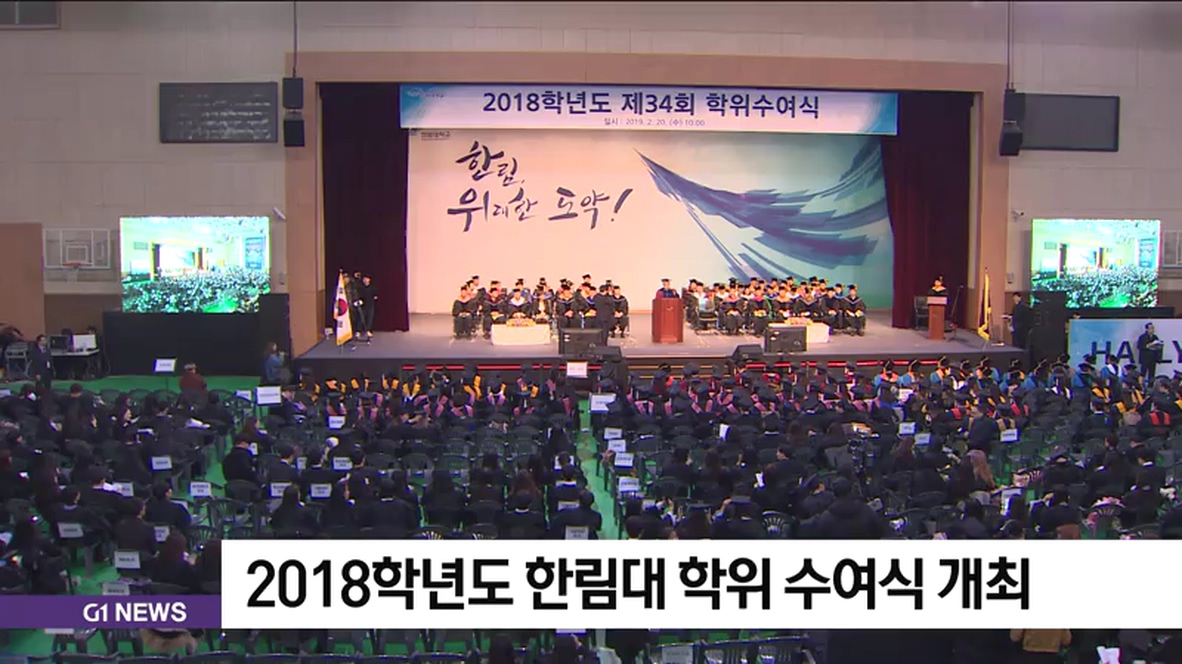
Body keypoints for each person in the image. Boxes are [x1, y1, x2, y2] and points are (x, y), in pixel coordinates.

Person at [359, 274, 377, 339]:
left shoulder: (372, 288)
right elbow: (359, 295)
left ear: (369, 280)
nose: (365, 280)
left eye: (367, 279)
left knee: (369, 318)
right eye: (364, 279)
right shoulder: (361, 288)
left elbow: (375, 295)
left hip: (370, 305)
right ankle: (358, 331)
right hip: (363, 305)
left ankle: (368, 331)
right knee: (361, 318)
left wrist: (375, 297)